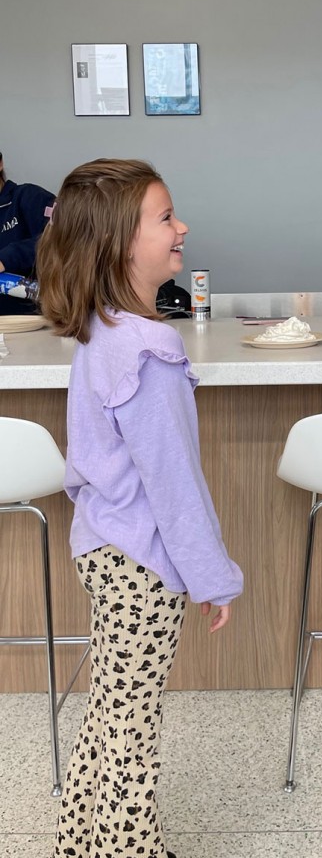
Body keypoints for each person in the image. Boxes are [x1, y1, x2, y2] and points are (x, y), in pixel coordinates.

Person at [37, 158, 244, 858]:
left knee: (107, 714)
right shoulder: (150, 349)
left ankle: (77, 845)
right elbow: (174, 484)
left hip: (101, 549)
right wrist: (213, 576)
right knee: (132, 733)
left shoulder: (101, 332)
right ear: (122, 243)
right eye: (165, 217)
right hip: (142, 569)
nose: (181, 226)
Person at [0, 150, 56, 314]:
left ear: (0, 163)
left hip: (36, 322)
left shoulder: (29, 197)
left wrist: (6, 259)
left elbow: (64, 238)